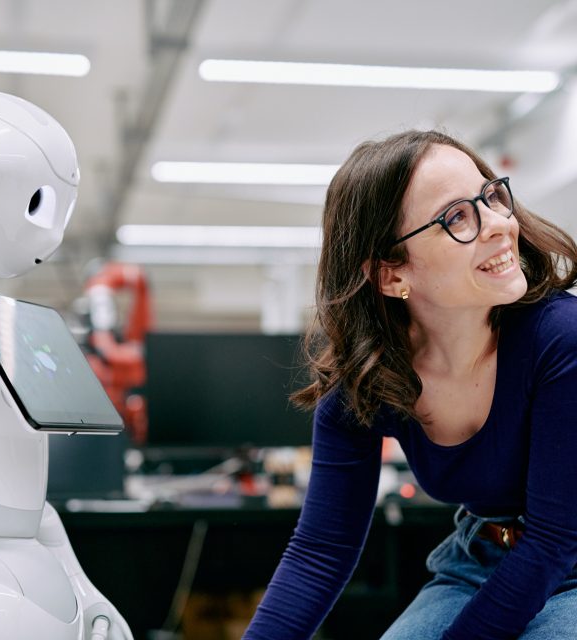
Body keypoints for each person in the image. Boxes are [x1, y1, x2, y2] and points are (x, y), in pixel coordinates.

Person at [242, 129, 577, 639]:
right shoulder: (368, 386)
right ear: (390, 274)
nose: (498, 225)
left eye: (490, 195)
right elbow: (320, 553)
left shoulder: (560, 339)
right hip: (478, 559)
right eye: (457, 217)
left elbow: (555, 539)